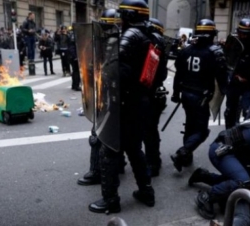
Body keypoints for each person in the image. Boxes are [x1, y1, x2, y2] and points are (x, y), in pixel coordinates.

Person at [88, 0, 155, 213]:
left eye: (123, 15)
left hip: (124, 103)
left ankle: (110, 201)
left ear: (130, 16)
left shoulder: (130, 36)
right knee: (135, 150)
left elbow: (118, 70)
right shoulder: (151, 35)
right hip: (141, 102)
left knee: (110, 151)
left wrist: (104, 74)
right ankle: (146, 192)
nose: (120, 19)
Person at [170, 19, 228, 173]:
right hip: (201, 97)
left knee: (189, 126)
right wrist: (227, 89)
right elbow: (222, 77)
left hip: (186, 95)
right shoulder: (215, 52)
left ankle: (186, 157)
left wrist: (176, 93)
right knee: (202, 131)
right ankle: (183, 152)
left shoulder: (186, 50)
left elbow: (178, 75)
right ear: (211, 35)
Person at [77, 8, 125, 186]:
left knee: (98, 136)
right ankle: (118, 165)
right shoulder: (100, 42)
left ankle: (96, 171)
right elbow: (90, 67)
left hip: (114, 96)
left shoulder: (120, 44)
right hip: (106, 94)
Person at [143, 18, 168, 177]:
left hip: (148, 94)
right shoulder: (158, 44)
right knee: (150, 131)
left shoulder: (153, 45)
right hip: (152, 94)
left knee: (149, 132)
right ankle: (153, 162)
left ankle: (153, 163)